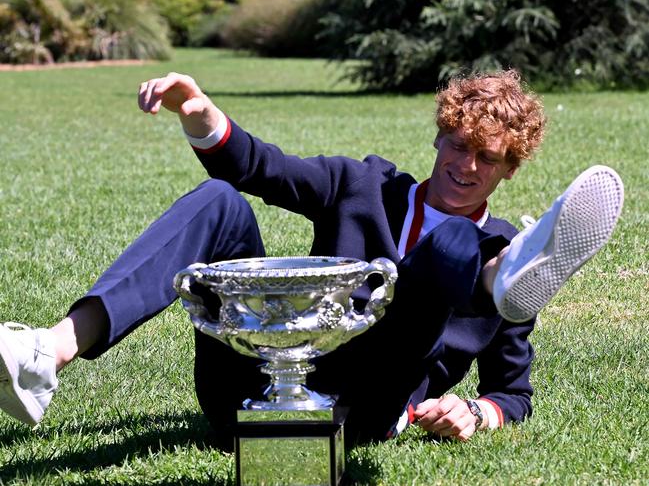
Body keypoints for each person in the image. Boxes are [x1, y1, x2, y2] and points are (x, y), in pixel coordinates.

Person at [0, 70, 623, 447]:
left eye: (487, 158)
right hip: (248, 388)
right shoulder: (363, 187)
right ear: (438, 135)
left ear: (509, 169)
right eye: (457, 145)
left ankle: (487, 282)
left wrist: (478, 412)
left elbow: (513, 391)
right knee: (221, 201)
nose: (465, 166)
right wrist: (200, 114)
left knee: (458, 247)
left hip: (365, 406)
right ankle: (43, 355)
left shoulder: (511, 254)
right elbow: (261, 168)